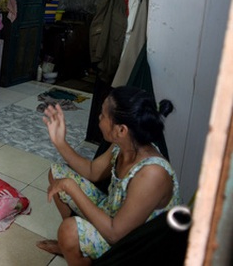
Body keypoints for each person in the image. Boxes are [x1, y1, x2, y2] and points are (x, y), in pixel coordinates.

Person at [37, 86, 181, 265]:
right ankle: (75, 246)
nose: (99, 117)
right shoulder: (125, 144)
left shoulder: (152, 174)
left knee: (68, 230)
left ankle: (74, 244)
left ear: (121, 130)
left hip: (132, 245)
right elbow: (92, 171)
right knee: (57, 172)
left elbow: (115, 234)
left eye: (103, 115)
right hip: (114, 213)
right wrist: (60, 142)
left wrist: (71, 187)